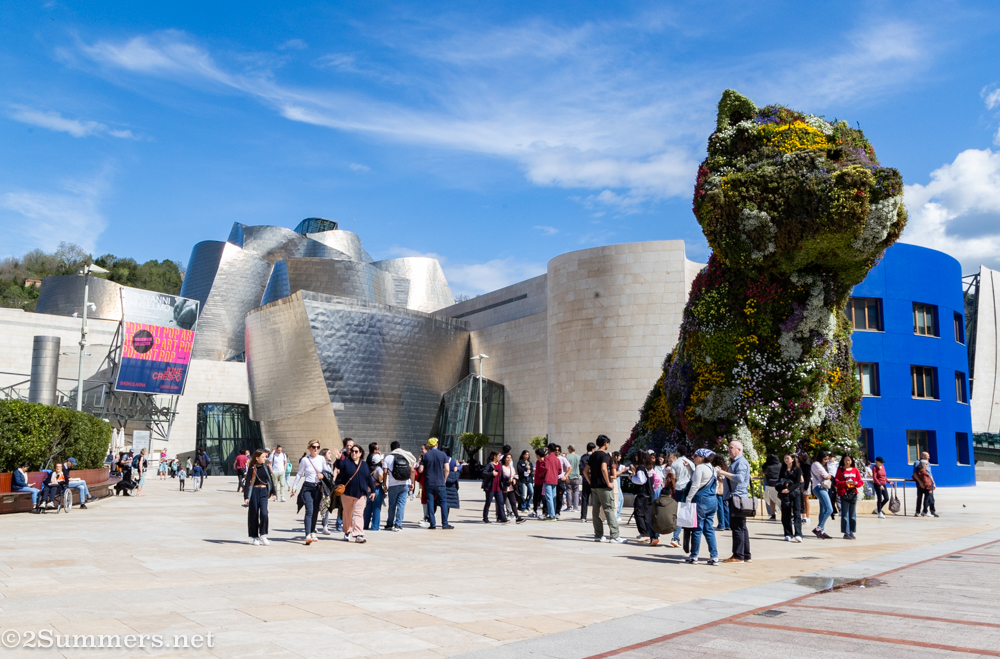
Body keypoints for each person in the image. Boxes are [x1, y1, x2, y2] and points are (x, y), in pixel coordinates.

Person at [583, 435, 625, 543]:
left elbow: (585, 471)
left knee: (596, 511)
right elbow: (603, 468)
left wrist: (590, 482)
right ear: (605, 443)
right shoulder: (605, 456)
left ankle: (598, 535)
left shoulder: (592, 456)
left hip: (594, 487)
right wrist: (608, 483)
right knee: (609, 509)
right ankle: (615, 536)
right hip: (604, 487)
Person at [685, 448, 720, 565]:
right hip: (712, 501)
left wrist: (688, 499)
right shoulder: (713, 469)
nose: (693, 457)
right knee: (709, 528)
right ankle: (714, 556)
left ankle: (694, 556)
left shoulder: (700, 468)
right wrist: (690, 469)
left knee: (697, 528)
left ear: (702, 457)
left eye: (696, 456)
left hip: (701, 501)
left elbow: (695, 485)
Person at [719, 440, 751, 563]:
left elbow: (740, 478)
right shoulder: (737, 462)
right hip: (737, 496)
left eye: (731, 447)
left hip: (737, 498)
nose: (729, 450)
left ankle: (738, 555)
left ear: (739, 449)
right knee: (742, 527)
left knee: (737, 526)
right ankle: (746, 555)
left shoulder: (741, 462)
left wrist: (723, 473)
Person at [290, 441, 327, 545]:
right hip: (308, 487)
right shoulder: (305, 460)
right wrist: (294, 487)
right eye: (313, 447)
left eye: (318, 447)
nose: (316, 449)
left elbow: (326, 471)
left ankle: (312, 532)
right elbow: (299, 473)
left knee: (315, 511)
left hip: (318, 487)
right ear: (309, 448)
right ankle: (307, 534)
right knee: (309, 510)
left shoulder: (321, 459)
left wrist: (323, 476)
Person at [338, 444, 376, 543]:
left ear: (360, 453)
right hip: (347, 493)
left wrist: (372, 490)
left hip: (361, 493)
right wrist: (338, 459)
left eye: (356, 451)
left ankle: (359, 534)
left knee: (359, 514)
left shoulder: (364, 465)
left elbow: (368, 478)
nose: (353, 453)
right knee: (347, 513)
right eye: (352, 451)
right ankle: (347, 531)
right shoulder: (346, 462)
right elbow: (339, 466)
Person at [418, 438, 454, 529]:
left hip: (429, 482)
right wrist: (444, 479)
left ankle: (432, 524)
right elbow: (447, 469)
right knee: (443, 502)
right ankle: (445, 523)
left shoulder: (425, 456)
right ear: (436, 444)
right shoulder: (443, 454)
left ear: (429, 445)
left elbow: (421, 470)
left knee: (430, 502)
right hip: (440, 482)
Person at [243, 449, 276, 545]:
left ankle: (263, 534)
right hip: (254, 492)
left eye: (265, 457)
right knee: (254, 514)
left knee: (264, 513)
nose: (265, 459)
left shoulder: (265, 468)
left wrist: (274, 493)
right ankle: (255, 536)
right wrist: (246, 496)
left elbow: (270, 480)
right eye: (263, 457)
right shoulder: (252, 468)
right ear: (257, 458)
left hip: (264, 492)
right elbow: (247, 483)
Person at [382, 441, 416, 531]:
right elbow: (412, 470)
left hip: (393, 484)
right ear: (399, 447)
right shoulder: (406, 456)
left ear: (391, 448)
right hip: (405, 484)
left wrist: (384, 484)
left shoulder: (388, 458)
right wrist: (412, 483)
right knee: (401, 505)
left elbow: (385, 472)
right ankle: (398, 524)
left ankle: (389, 524)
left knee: (392, 505)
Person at [668, 452, 694, 549]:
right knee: (687, 512)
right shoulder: (690, 463)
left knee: (679, 512)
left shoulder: (675, 463)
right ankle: (683, 537)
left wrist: (674, 486)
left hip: (679, 488)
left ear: (678, 452)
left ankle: (676, 536)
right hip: (688, 488)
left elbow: (673, 477)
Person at [630, 451, 657, 545]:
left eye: (637, 456)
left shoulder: (641, 467)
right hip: (649, 493)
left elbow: (641, 480)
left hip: (641, 494)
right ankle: (649, 533)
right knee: (647, 514)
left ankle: (644, 533)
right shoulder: (649, 467)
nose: (635, 457)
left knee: (639, 513)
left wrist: (632, 477)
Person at [778, 454, 804, 542]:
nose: (786, 460)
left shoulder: (797, 469)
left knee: (797, 513)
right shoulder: (782, 469)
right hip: (784, 494)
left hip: (794, 493)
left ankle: (798, 534)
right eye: (785, 458)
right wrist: (782, 487)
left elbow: (798, 483)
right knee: (786, 514)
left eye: (788, 458)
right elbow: (779, 480)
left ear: (792, 459)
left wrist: (789, 489)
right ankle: (788, 533)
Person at [835, 455, 862, 539]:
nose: (847, 462)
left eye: (849, 460)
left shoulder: (855, 470)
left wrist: (856, 483)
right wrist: (844, 483)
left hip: (853, 494)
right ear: (843, 461)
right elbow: (836, 482)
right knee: (845, 514)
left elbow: (860, 481)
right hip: (844, 494)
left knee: (852, 514)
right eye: (846, 460)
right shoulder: (840, 470)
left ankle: (851, 531)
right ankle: (846, 532)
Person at [810, 453, 833, 539]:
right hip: (819, 488)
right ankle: (818, 528)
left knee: (823, 510)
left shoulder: (820, 464)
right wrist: (831, 476)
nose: (826, 461)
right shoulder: (816, 464)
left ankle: (821, 531)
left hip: (823, 488)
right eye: (825, 459)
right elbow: (827, 476)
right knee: (829, 509)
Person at [363, 443, 385, 532]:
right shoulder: (378, 468)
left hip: (369, 488)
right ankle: (375, 526)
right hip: (376, 489)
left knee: (368, 506)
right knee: (376, 507)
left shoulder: (367, 465)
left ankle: (365, 524)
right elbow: (380, 475)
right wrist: (380, 481)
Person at [482, 452, 508, 523]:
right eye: (498, 456)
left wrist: (507, 480)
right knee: (488, 503)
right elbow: (483, 473)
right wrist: (491, 473)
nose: (500, 457)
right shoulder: (489, 465)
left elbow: (502, 475)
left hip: (498, 487)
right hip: (490, 487)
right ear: (494, 456)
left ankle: (503, 517)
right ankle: (485, 517)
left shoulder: (500, 465)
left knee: (501, 503)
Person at [501, 453, 525, 523]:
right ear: (504, 459)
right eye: (507, 458)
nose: (509, 459)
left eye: (510, 458)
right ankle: (502, 517)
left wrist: (514, 479)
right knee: (502, 503)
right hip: (505, 488)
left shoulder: (512, 468)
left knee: (513, 503)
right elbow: (501, 478)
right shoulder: (502, 467)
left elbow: (513, 477)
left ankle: (517, 517)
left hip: (511, 488)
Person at [542, 443, 562, 520]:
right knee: (553, 497)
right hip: (554, 479)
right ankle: (553, 513)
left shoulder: (546, 458)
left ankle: (551, 515)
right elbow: (560, 471)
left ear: (549, 449)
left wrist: (541, 474)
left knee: (549, 497)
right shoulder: (557, 459)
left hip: (547, 479)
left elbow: (545, 468)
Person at [712, 453, 730, 531]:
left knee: (720, 508)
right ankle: (727, 524)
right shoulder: (725, 467)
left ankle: (721, 524)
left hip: (719, 489)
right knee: (725, 507)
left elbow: (719, 478)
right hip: (725, 490)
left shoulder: (717, 468)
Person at [579, 443, 595, 521]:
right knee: (595, 499)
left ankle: (583, 516)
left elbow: (581, 469)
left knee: (584, 498)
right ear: (593, 449)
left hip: (585, 480)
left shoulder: (583, 457)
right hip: (593, 480)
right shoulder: (594, 457)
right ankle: (595, 516)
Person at [762, 454, 781, 521]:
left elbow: (763, 473)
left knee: (772, 501)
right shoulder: (780, 466)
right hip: (779, 485)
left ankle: (773, 515)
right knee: (781, 500)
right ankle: (784, 514)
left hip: (770, 485)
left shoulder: (767, 466)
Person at [565, 445, 582, 512]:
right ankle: (575, 507)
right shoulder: (579, 457)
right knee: (576, 492)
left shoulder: (567, 457)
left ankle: (569, 507)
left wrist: (566, 476)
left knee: (569, 491)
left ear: (570, 449)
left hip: (569, 476)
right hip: (576, 476)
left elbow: (566, 467)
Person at [532, 448, 547, 517]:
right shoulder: (538, 462)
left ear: (538, 455)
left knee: (543, 498)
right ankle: (534, 511)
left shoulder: (545, 462)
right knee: (535, 497)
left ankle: (544, 512)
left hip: (543, 483)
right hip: (537, 482)